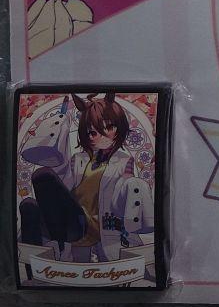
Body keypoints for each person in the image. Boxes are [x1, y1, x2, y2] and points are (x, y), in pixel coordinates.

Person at [19, 93, 153, 262]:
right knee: (32, 200)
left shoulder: (123, 160)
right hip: (75, 224)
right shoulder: (78, 159)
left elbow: (125, 183)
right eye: (91, 132)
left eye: (107, 127)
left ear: (118, 128)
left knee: (134, 183)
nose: (96, 136)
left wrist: (133, 188)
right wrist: (59, 134)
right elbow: (63, 184)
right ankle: (33, 256)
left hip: (102, 227)